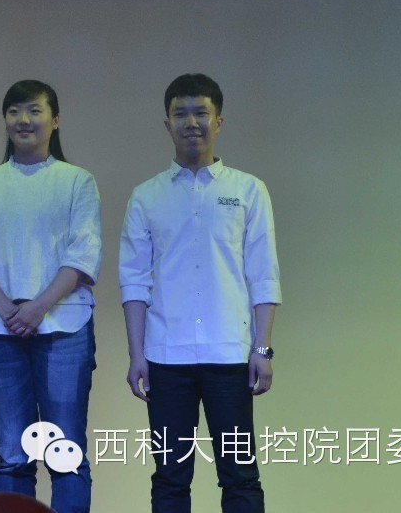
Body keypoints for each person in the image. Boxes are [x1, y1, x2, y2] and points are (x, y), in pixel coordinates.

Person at [120, 73, 281, 513]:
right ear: (167, 124)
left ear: (219, 122)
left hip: (230, 354)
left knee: (240, 475)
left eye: (201, 113)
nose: (191, 123)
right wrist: (137, 355)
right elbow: (133, 281)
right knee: (170, 478)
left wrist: (262, 349)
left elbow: (263, 274)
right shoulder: (146, 197)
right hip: (165, 356)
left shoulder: (248, 190)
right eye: (181, 114)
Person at [0, 80, 101, 513]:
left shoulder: (77, 181)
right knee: (12, 456)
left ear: (55, 121)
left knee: (65, 452)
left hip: (65, 327)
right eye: (14, 111)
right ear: (5, 121)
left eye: (35, 111)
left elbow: (82, 256)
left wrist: (37, 308)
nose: (24, 120)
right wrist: (8, 309)